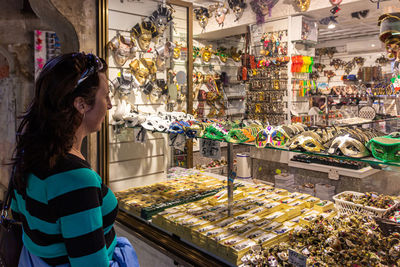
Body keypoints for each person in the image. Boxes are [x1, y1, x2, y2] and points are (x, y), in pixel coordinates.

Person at [9, 53, 139, 267]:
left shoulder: (32, 154)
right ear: (81, 104)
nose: (109, 105)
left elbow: (21, 217)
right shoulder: (77, 180)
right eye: (105, 96)